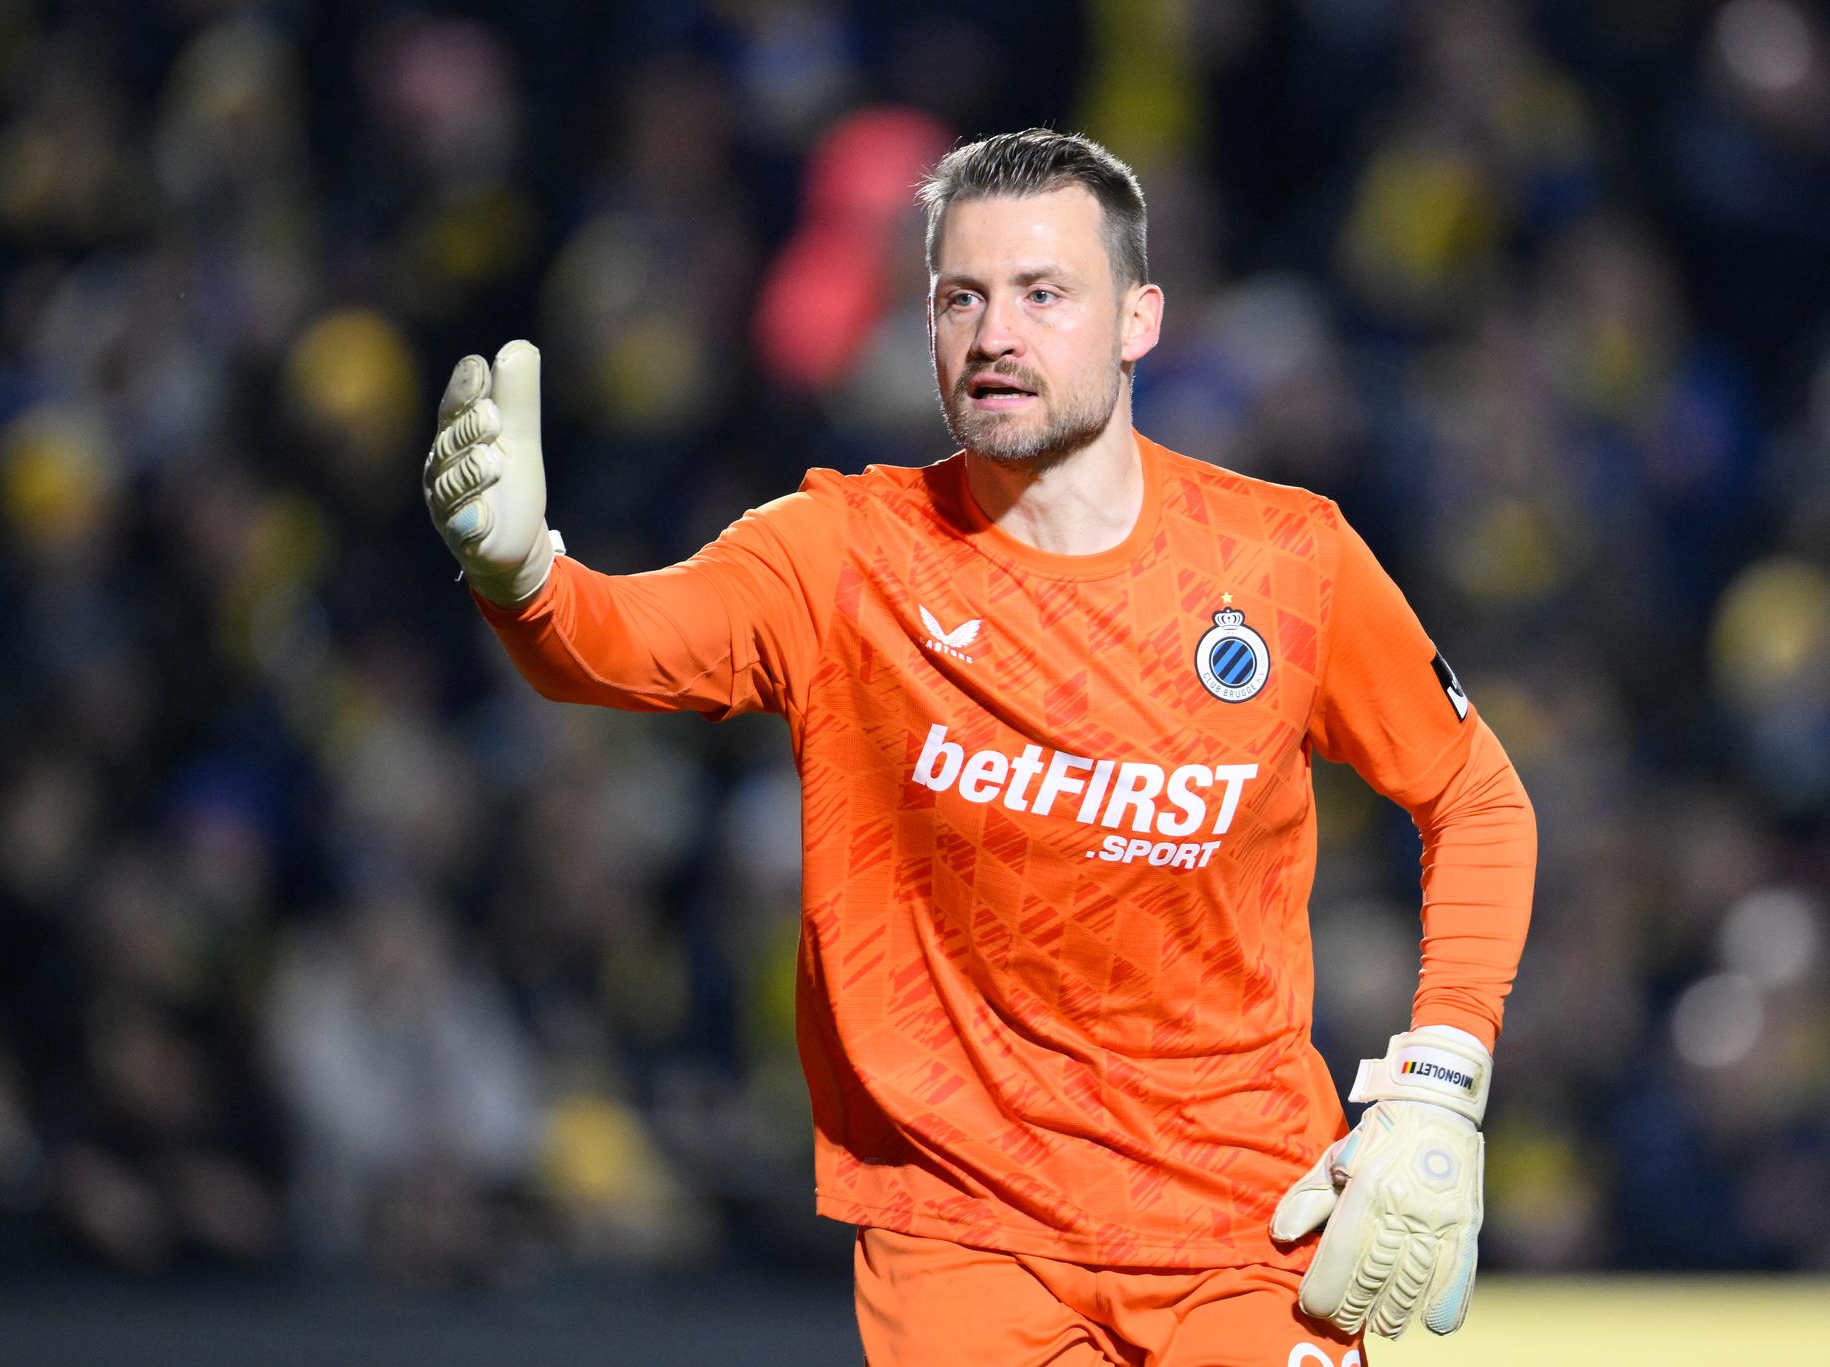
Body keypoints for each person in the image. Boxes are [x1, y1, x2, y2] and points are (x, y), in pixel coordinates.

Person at [422, 128, 1535, 1366]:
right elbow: (618, 643)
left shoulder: (1288, 560)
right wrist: (523, 574)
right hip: (964, 1241)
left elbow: (1474, 796)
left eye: (1045, 293)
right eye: (961, 297)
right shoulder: (839, 552)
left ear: (1139, 320)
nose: (995, 333)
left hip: (1247, 1225)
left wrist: (1443, 1074)